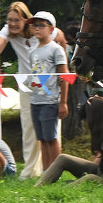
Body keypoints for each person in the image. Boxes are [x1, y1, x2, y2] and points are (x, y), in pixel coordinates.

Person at [0, 1, 45, 179]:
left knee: (47, 127)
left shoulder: (38, 28)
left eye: (16, 20)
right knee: (28, 126)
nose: (12, 23)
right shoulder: (8, 30)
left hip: (45, 83)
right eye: (9, 20)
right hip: (26, 85)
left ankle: (48, 168)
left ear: (26, 20)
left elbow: (58, 36)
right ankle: (30, 170)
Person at [37, 96, 103, 185]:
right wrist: (89, 168)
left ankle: (60, 191)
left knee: (89, 178)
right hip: (101, 172)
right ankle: (39, 187)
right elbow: (102, 155)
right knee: (63, 158)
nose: (87, 122)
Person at [25, 10, 69, 169]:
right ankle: (46, 172)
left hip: (50, 101)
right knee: (42, 139)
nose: (36, 28)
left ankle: (55, 171)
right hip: (35, 100)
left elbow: (64, 77)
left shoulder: (56, 49)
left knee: (51, 138)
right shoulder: (33, 51)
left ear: (51, 29)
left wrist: (63, 102)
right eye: (34, 25)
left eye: (41, 25)